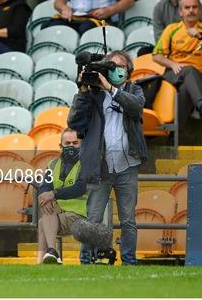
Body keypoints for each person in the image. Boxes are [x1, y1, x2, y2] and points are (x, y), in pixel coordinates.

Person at [68, 50, 148, 266]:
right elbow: (75, 124)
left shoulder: (134, 89)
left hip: (127, 165)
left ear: (127, 71)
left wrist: (112, 89)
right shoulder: (92, 95)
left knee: (128, 220)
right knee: (92, 219)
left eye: (118, 67)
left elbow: (136, 107)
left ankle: (129, 261)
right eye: (109, 66)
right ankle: (86, 261)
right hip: (100, 166)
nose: (113, 70)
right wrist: (83, 91)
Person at [152, 0, 202, 127]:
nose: (191, 10)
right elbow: (156, 55)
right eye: (187, 7)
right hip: (173, 73)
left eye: (194, 7)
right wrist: (172, 64)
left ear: (200, 10)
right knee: (189, 70)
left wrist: (201, 36)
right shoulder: (171, 29)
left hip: (198, 78)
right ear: (181, 12)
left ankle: (176, 131)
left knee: (186, 89)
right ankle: (201, 105)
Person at [37, 128, 86, 264]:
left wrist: (53, 194)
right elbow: (45, 186)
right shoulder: (52, 164)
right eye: (67, 143)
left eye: (75, 143)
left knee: (43, 222)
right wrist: (44, 197)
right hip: (60, 213)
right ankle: (49, 255)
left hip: (81, 213)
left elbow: (80, 188)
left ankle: (45, 258)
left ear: (81, 144)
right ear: (61, 146)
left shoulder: (87, 163)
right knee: (46, 210)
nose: (71, 146)